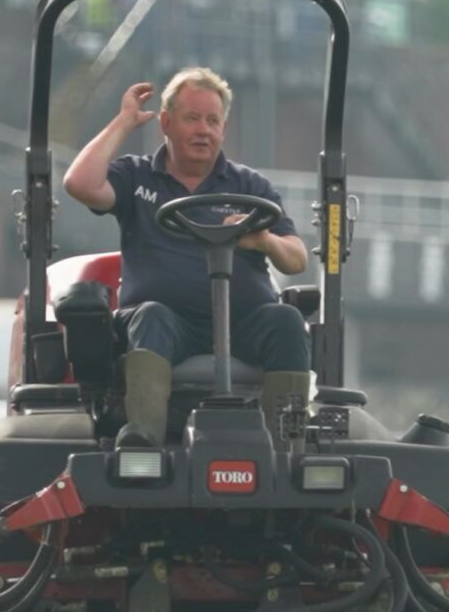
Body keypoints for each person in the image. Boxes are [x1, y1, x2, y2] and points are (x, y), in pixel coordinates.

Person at [63, 67, 310, 448]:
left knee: (287, 320)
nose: (203, 130)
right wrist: (125, 121)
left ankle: (286, 447)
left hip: (243, 323)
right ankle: (142, 439)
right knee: (151, 316)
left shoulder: (250, 186)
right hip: (168, 326)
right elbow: (79, 184)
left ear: (223, 129)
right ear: (165, 122)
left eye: (213, 121)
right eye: (192, 118)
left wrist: (263, 240)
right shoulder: (138, 177)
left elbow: (296, 259)